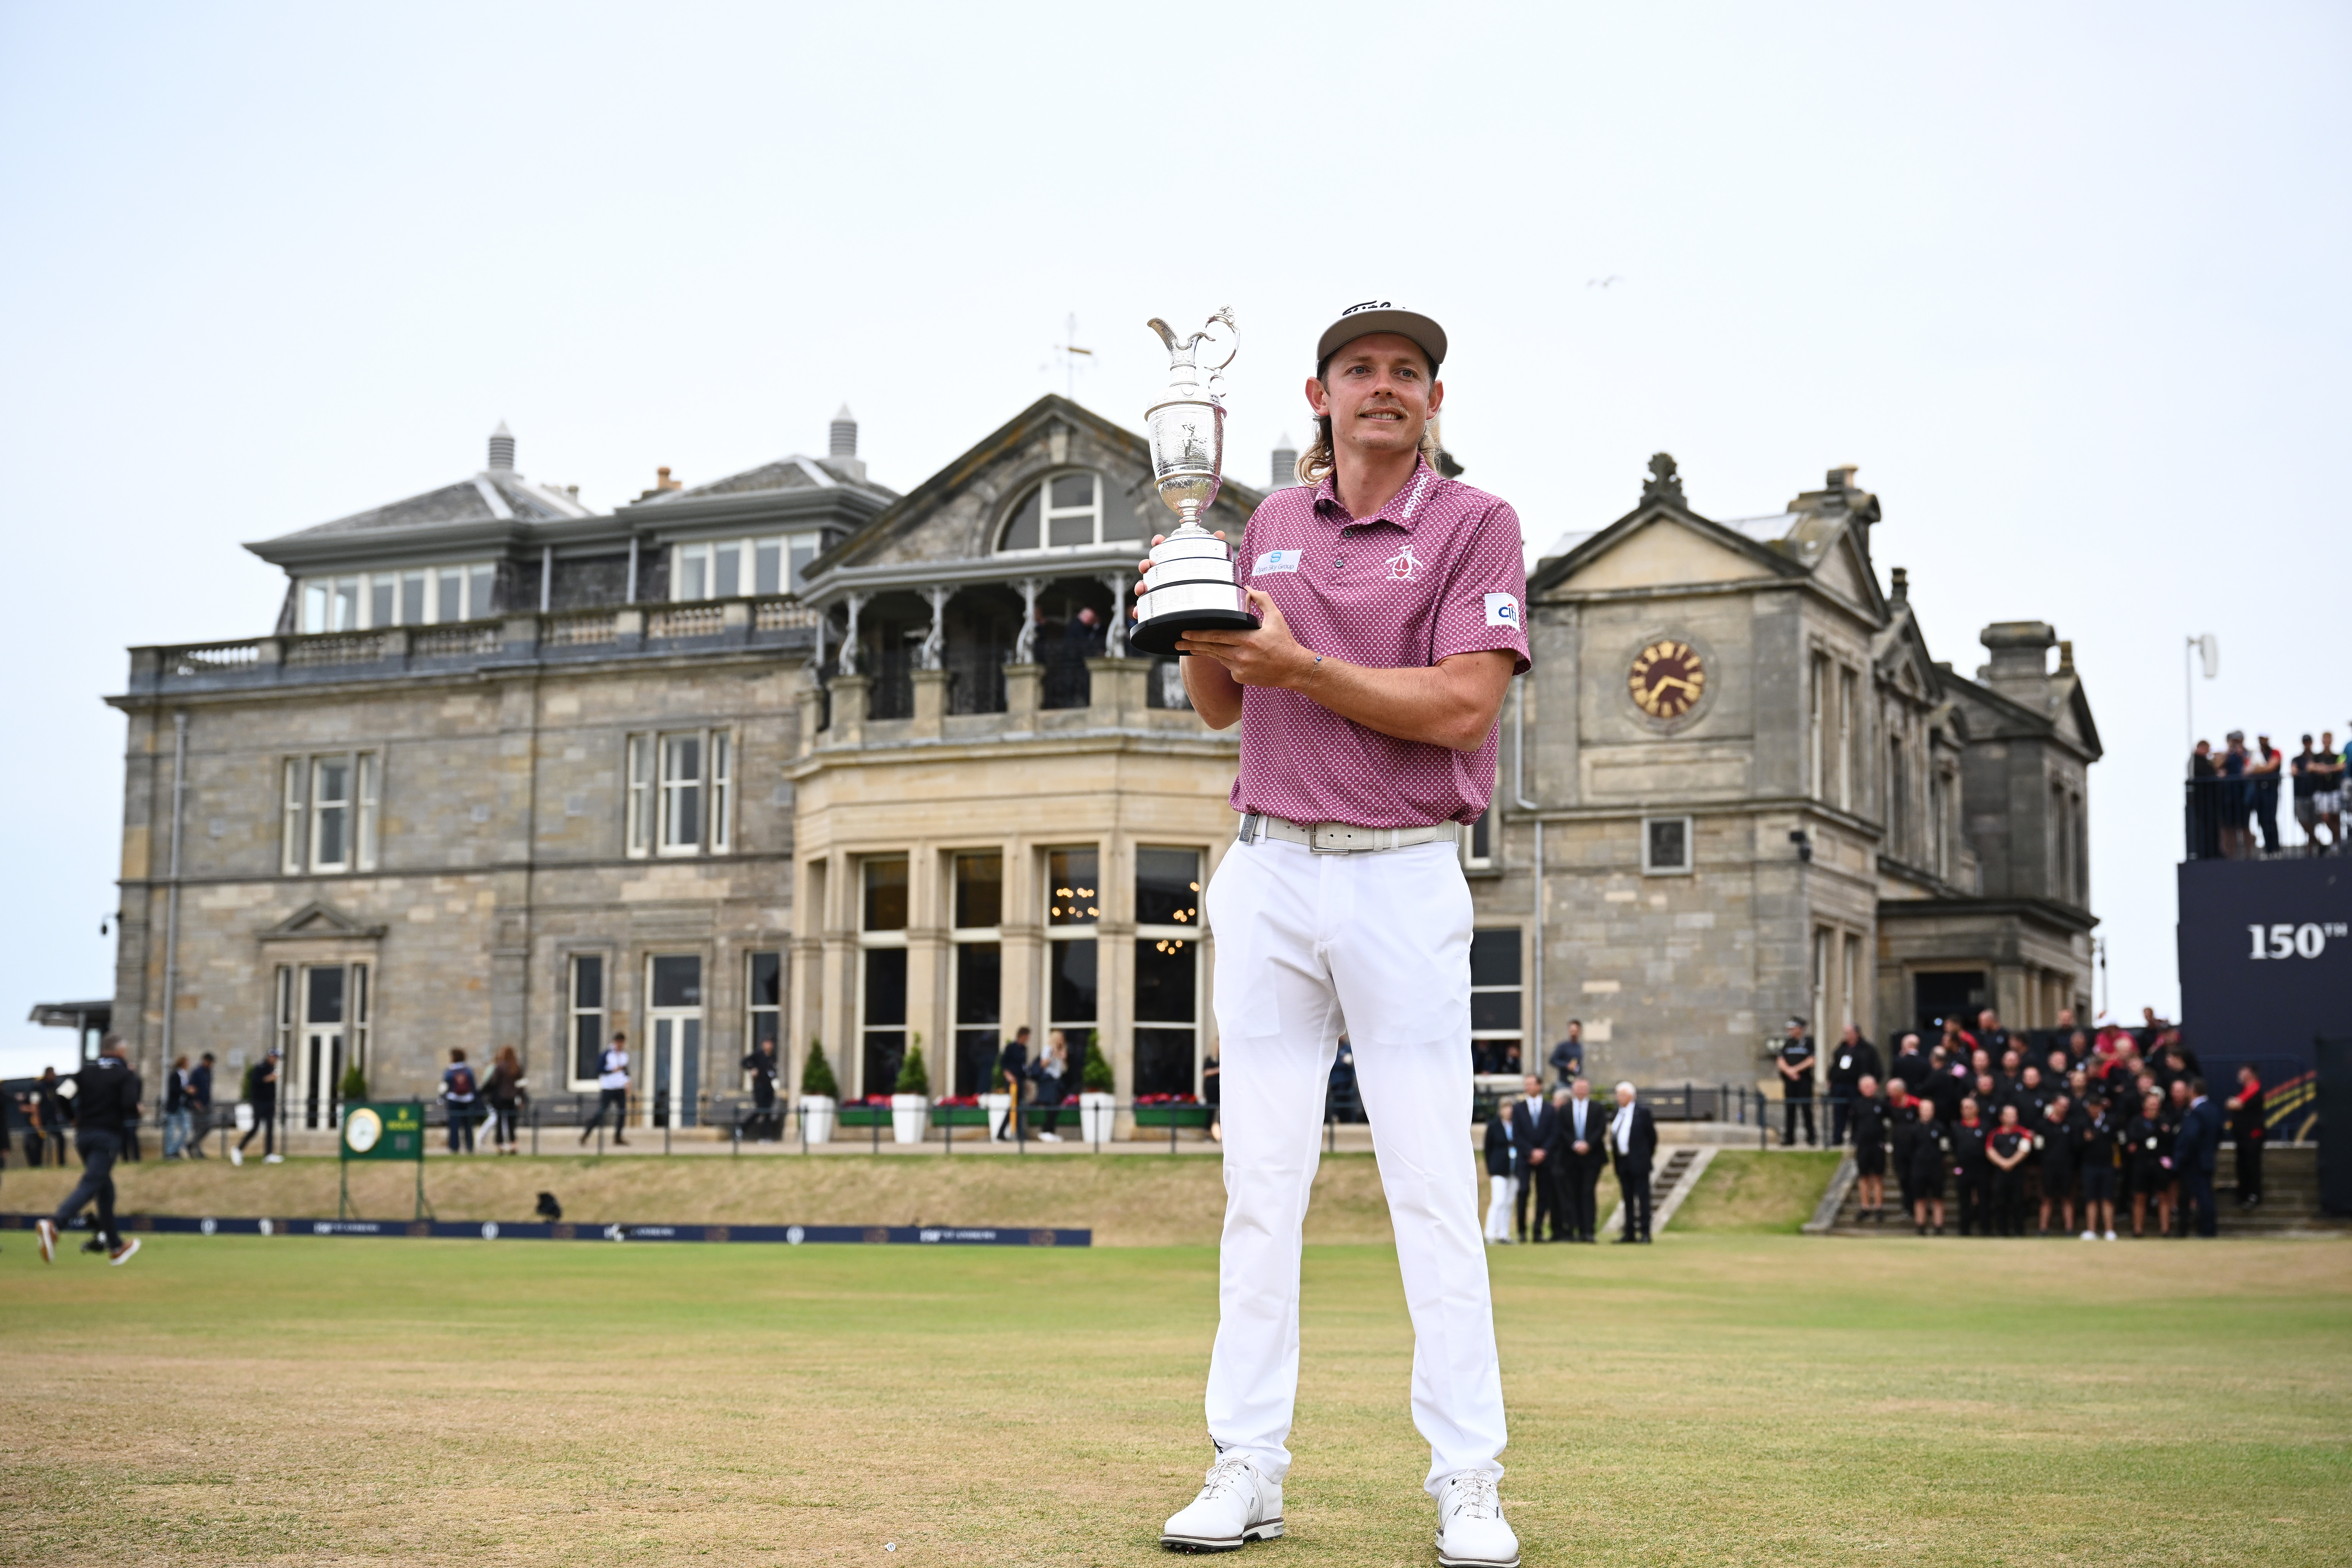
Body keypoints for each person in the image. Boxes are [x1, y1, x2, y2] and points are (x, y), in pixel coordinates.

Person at [1154, 301, 1525, 1565]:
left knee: (1428, 1184)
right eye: (1360, 369)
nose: (1383, 386)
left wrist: (1304, 666)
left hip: (1401, 873)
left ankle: (1464, 1478)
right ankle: (1244, 1466)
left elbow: (1461, 708)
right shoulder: (1259, 522)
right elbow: (1216, 701)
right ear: (1317, 393)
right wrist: (1185, 589)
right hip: (1264, 869)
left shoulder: (1476, 524)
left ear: (1431, 399)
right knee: (1257, 1187)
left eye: (1406, 372)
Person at [33, 1035, 142, 1266]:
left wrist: (73, 1119)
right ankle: (55, 1225)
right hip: (107, 1136)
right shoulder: (126, 1075)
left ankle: (115, 1247)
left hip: (84, 1137)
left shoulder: (85, 1072)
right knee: (92, 1184)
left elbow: (62, 1095)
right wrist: (137, 1109)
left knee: (106, 1191)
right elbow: (129, 1105)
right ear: (121, 1052)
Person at [1505, 1075, 1557, 1244]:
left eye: (1531, 1084)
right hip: (1525, 1158)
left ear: (1540, 1086)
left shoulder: (1550, 1109)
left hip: (1545, 1158)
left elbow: (1554, 1133)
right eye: (1526, 1084)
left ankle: (1538, 1230)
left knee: (1543, 1194)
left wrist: (1543, 1152)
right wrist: (1530, 1152)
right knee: (1524, 1191)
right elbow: (1517, 1134)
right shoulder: (1519, 1109)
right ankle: (1521, 1230)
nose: (1527, 1087)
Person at [1559, 1076, 1606, 1243]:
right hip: (1571, 1158)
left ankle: (1589, 1231)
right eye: (1578, 1088)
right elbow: (1562, 1130)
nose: (1581, 1091)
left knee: (1588, 1193)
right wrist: (1574, 1144)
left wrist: (1588, 1145)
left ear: (1588, 1090)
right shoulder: (1565, 1109)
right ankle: (1574, 1230)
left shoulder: (1597, 1108)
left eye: (1584, 1088)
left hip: (1592, 1158)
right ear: (1573, 1090)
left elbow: (1601, 1129)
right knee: (1573, 1194)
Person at [1609, 1081, 1657, 1245]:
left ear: (1631, 1096)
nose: (1618, 1098)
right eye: (1618, 1095)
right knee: (1627, 1198)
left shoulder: (1642, 1113)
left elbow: (1652, 1138)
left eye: (1622, 1095)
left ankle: (1645, 1232)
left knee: (1643, 1198)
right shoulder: (1618, 1113)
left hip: (1639, 1162)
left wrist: (1645, 1156)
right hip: (1623, 1162)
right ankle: (1629, 1232)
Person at [2174, 1078, 2223, 1238]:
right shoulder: (2213, 1109)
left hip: (2195, 1161)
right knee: (2206, 1195)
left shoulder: (2197, 1111)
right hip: (2207, 1159)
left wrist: (2182, 1157)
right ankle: (2207, 1229)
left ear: (2193, 1091)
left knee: (2202, 1196)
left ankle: (2207, 1230)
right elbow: (2219, 1135)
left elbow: (2191, 1137)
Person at [2127, 1089, 2173, 1239]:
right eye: (2151, 1103)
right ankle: (2138, 1230)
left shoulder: (2165, 1121)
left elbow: (2169, 1140)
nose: (2154, 1106)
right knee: (2140, 1197)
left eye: (2156, 1103)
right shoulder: (2137, 1121)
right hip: (2142, 1164)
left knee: (2163, 1196)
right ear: (2144, 1105)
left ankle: (2165, 1230)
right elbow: (2132, 1141)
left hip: (2160, 1163)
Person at [1825, 1024, 1881, 1147]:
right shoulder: (1841, 1049)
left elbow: (1876, 1069)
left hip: (1856, 1087)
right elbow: (1834, 1066)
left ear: (1856, 1034)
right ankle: (1837, 1137)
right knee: (1839, 1113)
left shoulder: (1867, 1050)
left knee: (1856, 1113)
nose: (1846, 1036)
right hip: (1840, 1086)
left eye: (1849, 1033)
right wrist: (1831, 1079)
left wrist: (1872, 1084)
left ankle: (1855, 1138)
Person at [2078, 1090, 2121, 1240]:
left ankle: (2110, 1230)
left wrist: (2117, 1162)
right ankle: (2091, 1230)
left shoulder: (2111, 1121)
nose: (2093, 1110)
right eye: (2091, 1107)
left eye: (2096, 1106)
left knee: (2107, 1198)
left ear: (2101, 1107)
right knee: (2091, 1199)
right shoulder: (2083, 1123)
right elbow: (2076, 1145)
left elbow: (2117, 1143)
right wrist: (2085, 1140)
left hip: (2107, 1165)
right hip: (2089, 1165)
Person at [2035, 1092, 2078, 1239]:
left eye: (2066, 1106)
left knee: (2068, 1197)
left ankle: (2069, 1229)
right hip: (2048, 1166)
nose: (2064, 1108)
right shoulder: (2043, 1124)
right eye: (2061, 1105)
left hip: (2067, 1166)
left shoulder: (2071, 1124)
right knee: (2047, 1198)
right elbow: (2038, 1146)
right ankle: (2043, 1229)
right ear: (2054, 1105)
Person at [1986, 1104, 2031, 1237]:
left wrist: (2011, 1163)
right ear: (2002, 1117)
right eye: (2010, 1115)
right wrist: (2002, 1163)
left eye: (2015, 1115)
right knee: (2000, 1202)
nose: (2013, 1118)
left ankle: (2019, 1231)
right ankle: (2002, 1231)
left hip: (2018, 1172)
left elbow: (2025, 1150)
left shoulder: (2023, 1132)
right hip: (2000, 1173)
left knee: (2018, 1201)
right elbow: (1990, 1150)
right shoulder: (1995, 1134)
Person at [579, 1032, 630, 1147]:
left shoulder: (624, 1055)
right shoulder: (607, 1055)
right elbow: (599, 1069)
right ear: (615, 1042)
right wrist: (612, 1070)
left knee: (622, 1112)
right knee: (601, 1112)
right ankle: (587, 1133)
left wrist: (627, 1082)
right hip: (608, 1088)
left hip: (620, 1088)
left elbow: (626, 1070)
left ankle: (618, 1137)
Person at [1849, 1075, 1888, 1222]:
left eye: (1871, 1086)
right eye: (1865, 1086)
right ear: (1860, 1089)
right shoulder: (1857, 1105)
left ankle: (1879, 1207)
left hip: (1877, 1144)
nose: (1869, 1089)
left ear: (1876, 1087)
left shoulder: (1881, 1104)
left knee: (1878, 1176)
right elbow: (1853, 1124)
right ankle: (1865, 1207)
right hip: (1863, 1145)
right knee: (1863, 1176)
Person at [1950, 1099, 1991, 1236]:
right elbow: (1954, 1147)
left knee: (1984, 1200)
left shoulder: (1985, 1127)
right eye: (1964, 1108)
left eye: (1969, 1107)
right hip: (1963, 1169)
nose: (1966, 1110)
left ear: (1976, 1109)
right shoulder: (1957, 1127)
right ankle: (1964, 1231)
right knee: (1964, 1202)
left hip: (1982, 1168)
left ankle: (1986, 1230)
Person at [233, 1050, 280, 1165]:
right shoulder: (260, 1068)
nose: (275, 1060)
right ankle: (238, 1149)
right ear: (269, 1056)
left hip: (270, 1103)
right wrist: (269, 1078)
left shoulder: (272, 1068)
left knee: (270, 1128)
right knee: (255, 1128)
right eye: (274, 1057)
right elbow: (256, 1081)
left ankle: (269, 1154)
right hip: (259, 1103)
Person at [1774, 1017, 1817, 1147]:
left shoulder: (1808, 1042)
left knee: (1806, 1109)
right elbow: (1780, 1060)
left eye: (1793, 1029)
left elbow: (1811, 1060)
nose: (1791, 1031)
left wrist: (1796, 1070)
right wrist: (1789, 1071)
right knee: (1790, 1109)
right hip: (1790, 1081)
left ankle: (1811, 1137)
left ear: (1800, 1029)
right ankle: (1789, 1138)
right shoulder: (1788, 1043)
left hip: (1804, 1081)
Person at [2227, 1064, 2265, 1207]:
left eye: (2243, 1072)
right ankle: (2243, 1194)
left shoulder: (2255, 1090)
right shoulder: (2244, 1090)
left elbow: (2236, 1105)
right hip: (2242, 1137)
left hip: (2253, 1137)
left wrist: (2234, 1104)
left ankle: (2254, 1195)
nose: (2240, 1074)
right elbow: (2232, 1104)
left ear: (2250, 1074)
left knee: (2252, 1166)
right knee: (2242, 1166)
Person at [1480, 1100, 1516, 1245]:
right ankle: (1490, 1233)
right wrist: (1491, 1167)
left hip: (1514, 1169)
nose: (1509, 1111)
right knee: (1498, 1201)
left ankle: (1504, 1233)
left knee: (1509, 1202)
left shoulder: (1517, 1126)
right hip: (1499, 1169)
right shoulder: (1494, 1127)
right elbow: (1487, 1149)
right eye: (1506, 1108)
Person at [1029, 1030, 1071, 1142]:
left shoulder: (1063, 1051)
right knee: (1052, 1106)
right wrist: (1054, 1055)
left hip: (1057, 1081)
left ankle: (1051, 1131)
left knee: (1056, 1106)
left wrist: (1063, 1059)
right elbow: (1043, 1064)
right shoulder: (1049, 1049)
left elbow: (1064, 1070)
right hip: (1049, 1080)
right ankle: (1046, 1131)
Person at [484, 1046, 526, 1154]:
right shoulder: (516, 1067)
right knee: (511, 1123)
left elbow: (494, 1083)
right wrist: (521, 1099)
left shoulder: (499, 1067)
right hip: (512, 1098)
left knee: (500, 1122)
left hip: (500, 1098)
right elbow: (521, 1085)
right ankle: (513, 1145)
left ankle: (500, 1146)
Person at [2291, 735, 2331, 849]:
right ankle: (2318, 843)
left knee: (2314, 822)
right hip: (2300, 794)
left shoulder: (2317, 758)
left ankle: (2312, 848)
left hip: (2315, 794)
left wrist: (2314, 768)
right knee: (2303, 821)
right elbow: (2294, 770)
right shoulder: (2297, 759)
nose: (2307, 744)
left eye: (2309, 742)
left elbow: (2322, 769)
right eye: (2305, 742)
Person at [2249, 733, 2284, 855]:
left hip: (2271, 790)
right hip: (2259, 791)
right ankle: (2268, 849)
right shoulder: (2256, 754)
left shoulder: (2275, 752)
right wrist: (2258, 769)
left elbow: (2270, 768)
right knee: (2262, 820)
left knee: (2271, 819)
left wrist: (2258, 770)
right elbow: (2249, 769)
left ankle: (2275, 848)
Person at [741, 1039, 781, 1141]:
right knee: (760, 1110)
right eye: (767, 1044)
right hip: (759, 1087)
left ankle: (765, 1136)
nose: (769, 1046)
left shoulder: (773, 1057)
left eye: (771, 1044)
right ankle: (742, 1128)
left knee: (768, 1112)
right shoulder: (758, 1055)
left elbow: (773, 1071)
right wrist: (752, 1069)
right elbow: (744, 1062)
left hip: (770, 1088)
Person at [441, 1049, 480, 1154]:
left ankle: (454, 1147)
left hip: (453, 1100)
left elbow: (444, 1086)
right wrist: (476, 1100)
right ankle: (470, 1147)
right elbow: (473, 1086)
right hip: (468, 1100)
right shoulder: (468, 1071)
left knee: (454, 1125)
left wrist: (441, 1098)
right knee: (468, 1125)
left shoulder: (449, 1071)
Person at [995, 1026, 1031, 1142]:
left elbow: (1023, 1066)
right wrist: (1008, 1075)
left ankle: (1005, 1133)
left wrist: (1026, 1082)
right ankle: (1018, 1134)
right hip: (1013, 1081)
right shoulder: (1011, 1048)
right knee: (1015, 1106)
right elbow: (1004, 1063)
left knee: (1017, 1106)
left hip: (1020, 1080)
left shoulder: (1024, 1049)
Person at [162, 1054, 191, 1160]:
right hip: (174, 1106)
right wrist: (186, 1090)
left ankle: (175, 1149)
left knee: (186, 1129)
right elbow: (174, 1089)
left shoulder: (185, 1075)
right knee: (171, 1130)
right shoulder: (175, 1075)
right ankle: (169, 1153)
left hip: (182, 1106)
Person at [187, 1052, 215, 1159]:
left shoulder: (209, 1072)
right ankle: (196, 1151)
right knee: (198, 1128)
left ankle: (191, 1145)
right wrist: (195, 1102)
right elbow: (192, 1088)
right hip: (198, 1105)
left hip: (207, 1103)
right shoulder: (197, 1072)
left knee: (208, 1126)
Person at [1546, 1021, 1584, 1088]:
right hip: (1564, 1082)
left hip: (1576, 1081)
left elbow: (1579, 1064)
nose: (1573, 1034)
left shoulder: (1579, 1047)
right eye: (1572, 1031)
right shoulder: (1563, 1046)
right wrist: (1567, 1065)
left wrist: (1577, 1069)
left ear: (1579, 1032)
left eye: (1575, 1031)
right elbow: (1553, 1060)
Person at [1203, 1044, 1222, 1144]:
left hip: (1221, 1090)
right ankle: (1208, 1135)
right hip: (1211, 1090)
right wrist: (1219, 1070)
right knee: (1211, 1111)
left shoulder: (1223, 1059)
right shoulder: (1210, 1060)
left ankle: (1219, 1135)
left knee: (1220, 1113)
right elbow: (1206, 1073)